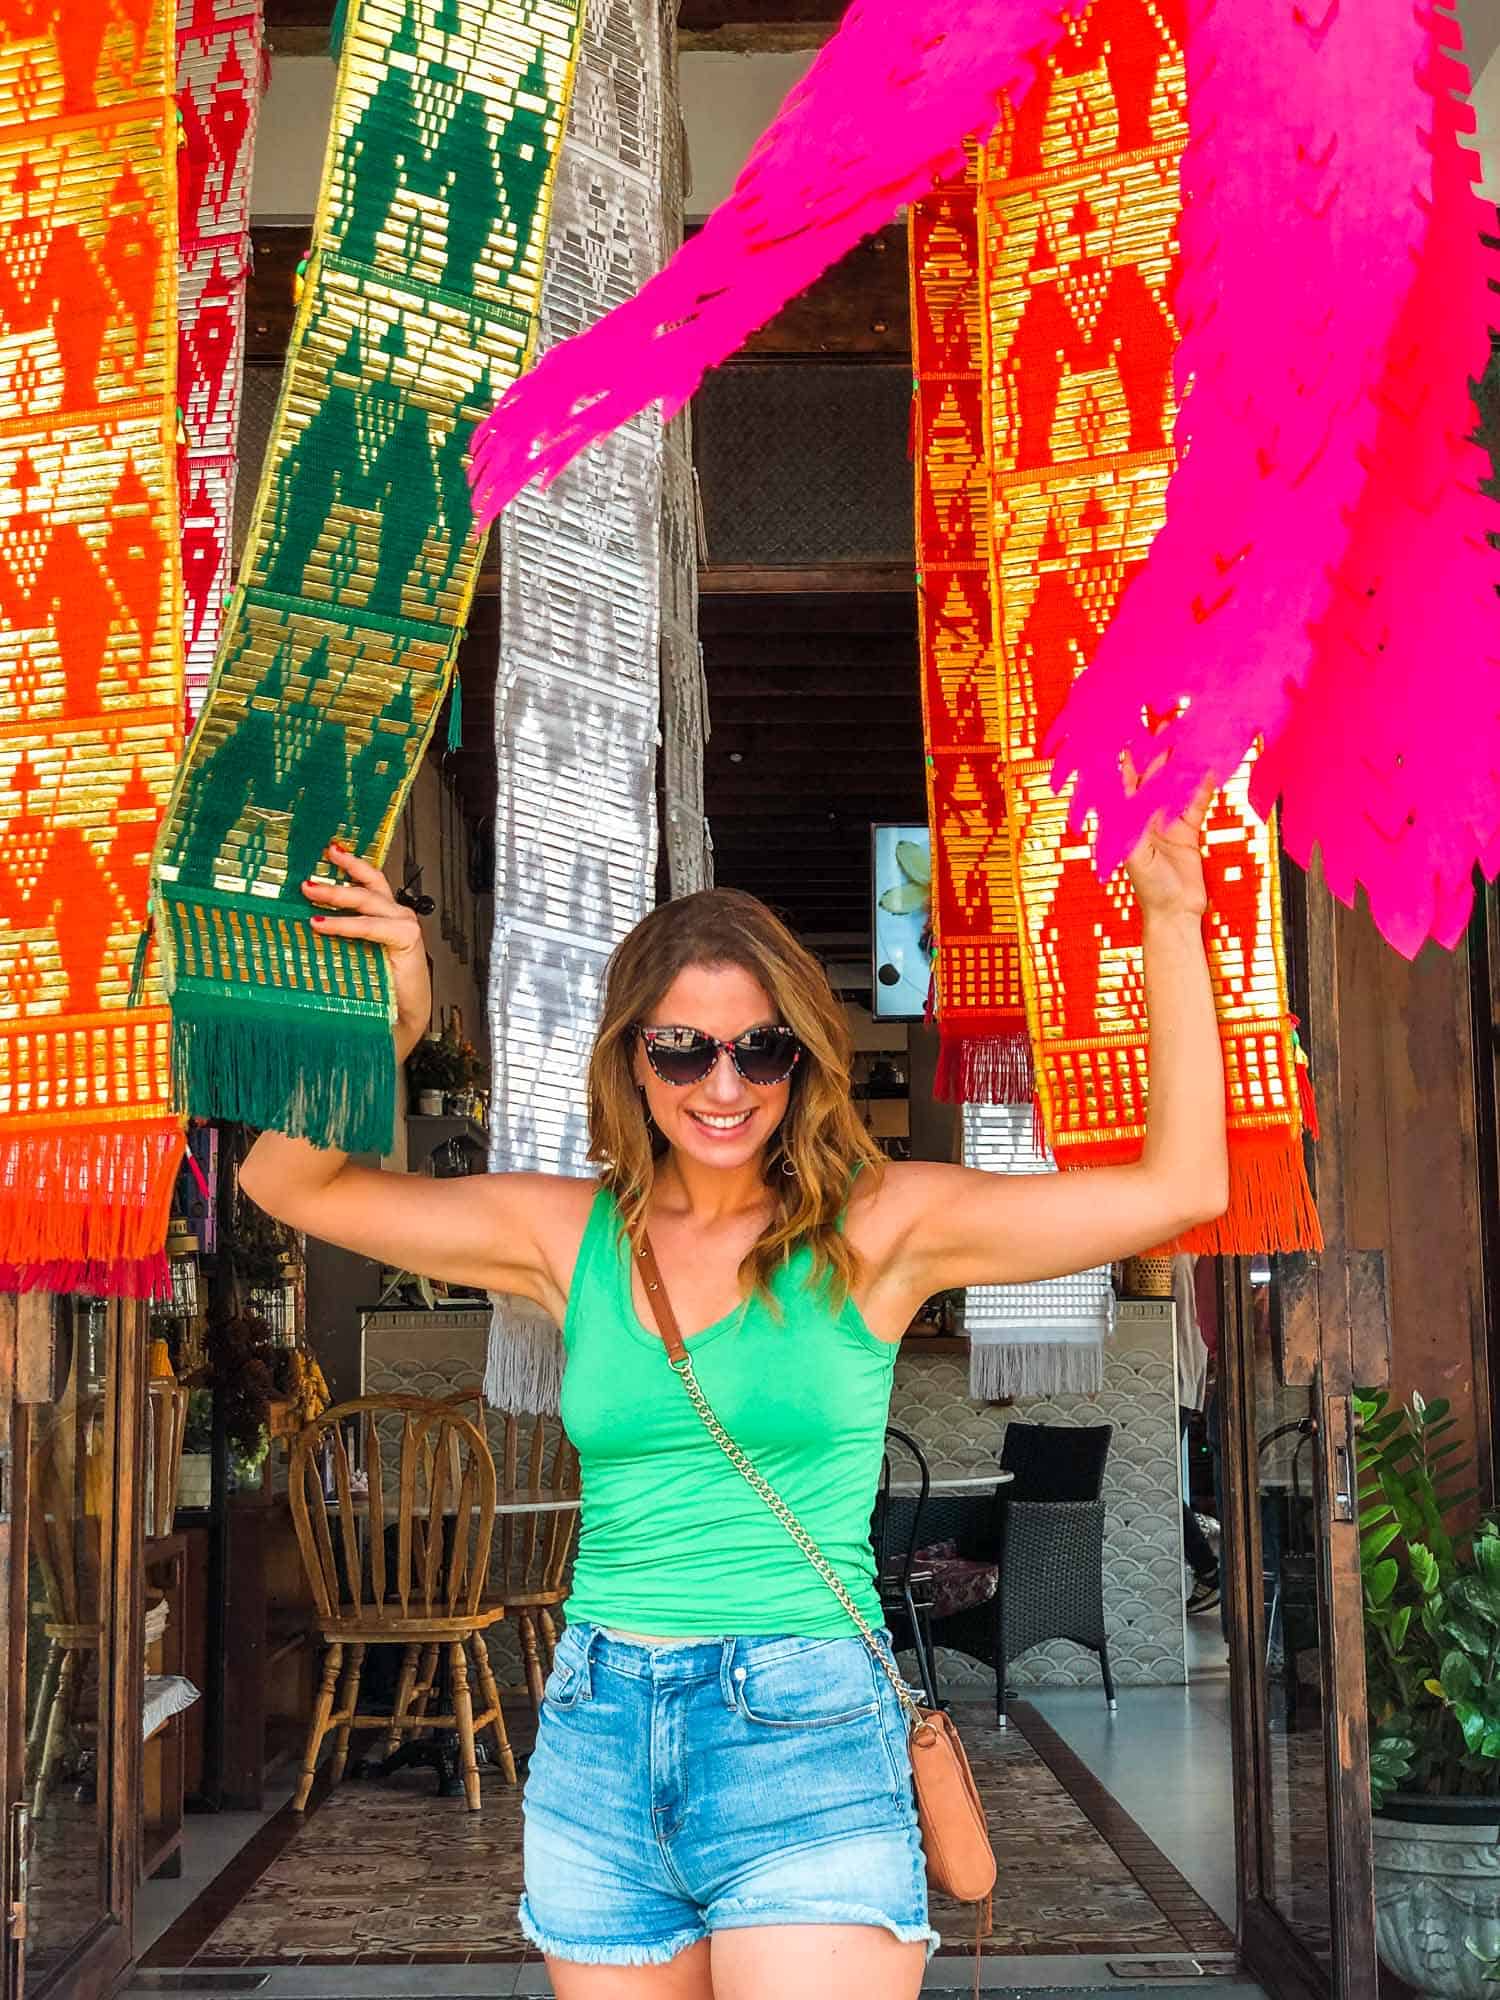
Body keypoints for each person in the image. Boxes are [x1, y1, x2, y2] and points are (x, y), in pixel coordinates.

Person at [239, 794, 1227, 2000]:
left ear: (802, 1055)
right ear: (630, 1056)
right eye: (682, 1048)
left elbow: (1180, 1183)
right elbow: (284, 1179)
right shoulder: (563, 1233)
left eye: (760, 1047)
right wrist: (388, 1016)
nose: (725, 1082)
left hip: (806, 1725)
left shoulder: (878, 1225)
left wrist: (1173, 917)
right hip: (603, 1728)